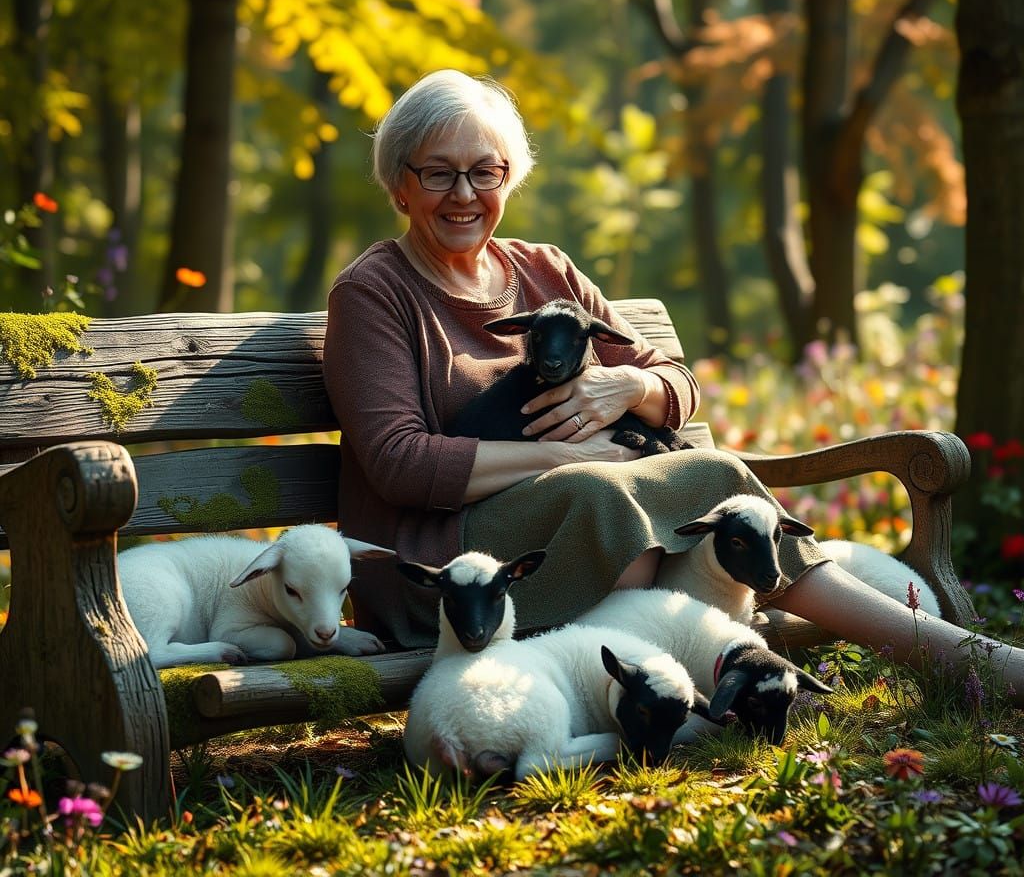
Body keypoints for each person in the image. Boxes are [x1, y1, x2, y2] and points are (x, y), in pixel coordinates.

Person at [323, 68, 1024, 702]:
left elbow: (675, 382)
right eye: (439, 174)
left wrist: (625, 387)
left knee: (716, 472)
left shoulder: (544, 271)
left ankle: (954, 658)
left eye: (485, 171)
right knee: (601, 491)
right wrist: (569, 457)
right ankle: (661, 696)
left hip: (575, 523)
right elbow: (399, 462)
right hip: (446, 570)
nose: (465, 194)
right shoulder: (374, 292)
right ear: (400, 184)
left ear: (510, 176)